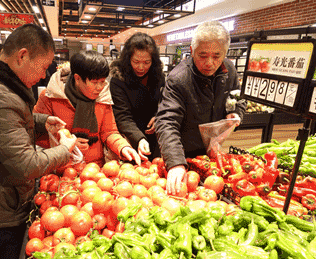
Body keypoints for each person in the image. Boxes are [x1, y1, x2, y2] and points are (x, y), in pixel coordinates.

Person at [0, 24, 77, 259]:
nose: (44, 75)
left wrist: (42, 122)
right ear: (22, 56)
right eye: (43, 68)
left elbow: (4, 123)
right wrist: (65, 150)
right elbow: (27, 164)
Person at [155, 21, 246, 195]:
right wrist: (175, 162)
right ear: (191, 50)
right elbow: (167, 121)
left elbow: (238, 97)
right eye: (202, 55)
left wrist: (235, 112)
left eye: (217, 56)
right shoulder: (178, 79)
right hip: (184, 152)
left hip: (212, 154)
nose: (210, 63)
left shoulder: (230, 71)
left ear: (226, 53)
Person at [33, 50, 141, 168]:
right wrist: (66, 144)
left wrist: (123, 147)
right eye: (95, 82)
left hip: (95, 172)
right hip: (60, 170)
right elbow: (37, 135)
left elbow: (109, 131)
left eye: (102, 82)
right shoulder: (51, 96)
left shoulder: (102, 98)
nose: (100, 87)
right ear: (77, 78)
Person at [109, 32, 165, 161]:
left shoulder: (158, 76)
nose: (141, 67)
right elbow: (122, 116)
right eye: (136, 61)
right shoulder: (119, 79)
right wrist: (139, 138)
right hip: (130, 137)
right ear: (128, 59)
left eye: (146, 62)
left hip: (156, 137)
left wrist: (159, 116)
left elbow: (166, 103)